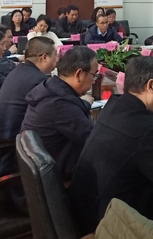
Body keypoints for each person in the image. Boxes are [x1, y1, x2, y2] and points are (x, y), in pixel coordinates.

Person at [69, 56, 153, 235]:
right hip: (111, 230)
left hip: (86, 212)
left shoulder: (114, 107)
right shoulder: (148, 129)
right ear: (151, 86)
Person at [20, 46, 98, 179]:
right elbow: (94, 140)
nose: (94, 80)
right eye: (94, 75)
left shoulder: (51, 86)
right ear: (79, 74)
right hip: (60, 176)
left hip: (47, 167)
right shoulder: (61, 104)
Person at [0, 37, 58, 176]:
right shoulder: (38, 81)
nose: (57, 59)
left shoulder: (19, 71)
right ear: (44, 58)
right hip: (9, 154)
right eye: (56, 55)